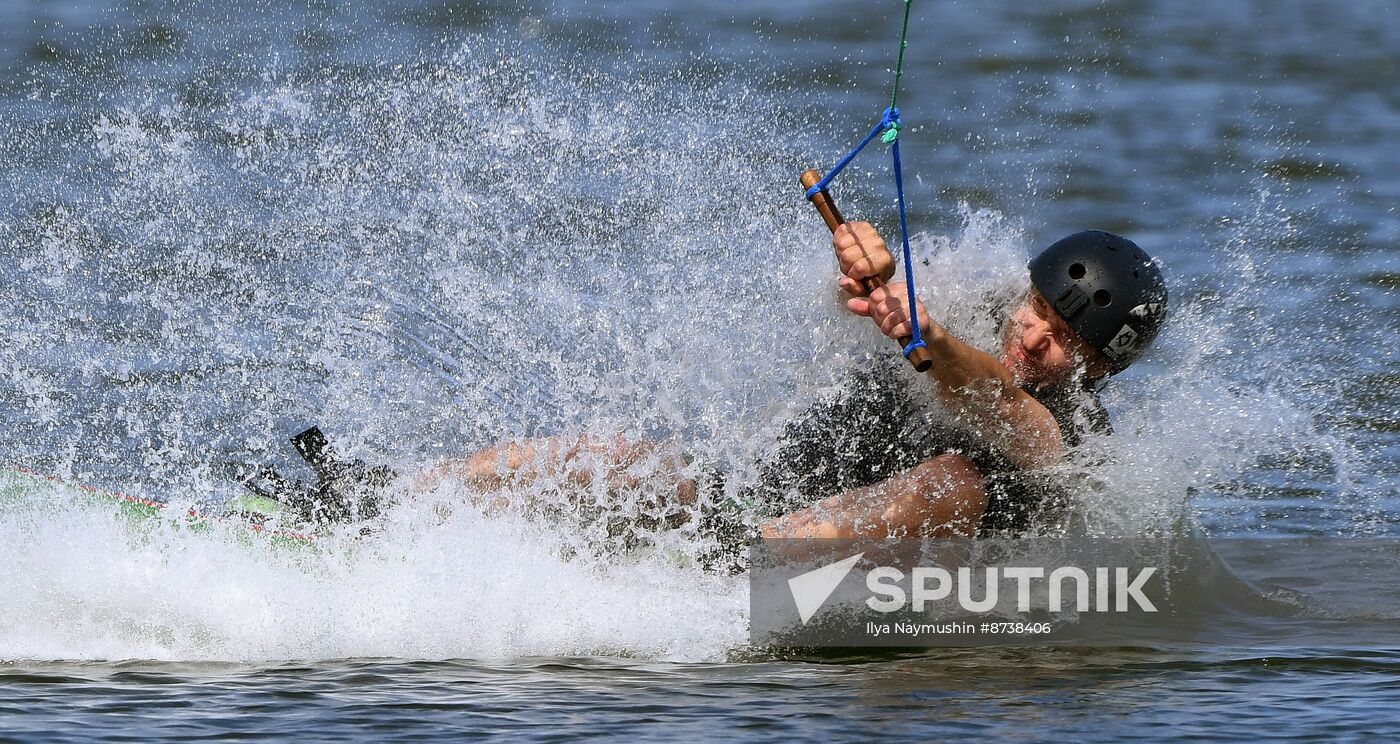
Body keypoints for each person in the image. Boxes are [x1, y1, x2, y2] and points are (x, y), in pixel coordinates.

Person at [411, 222, 1169, 551]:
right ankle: (387, 499)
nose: (1036, 338)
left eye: (1067, 340)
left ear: (1100, 368)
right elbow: (866, 298)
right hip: (755, 511)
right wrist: (859, 266)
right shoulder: (969, 299)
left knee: (955, 482)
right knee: (627, 459)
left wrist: (924, 335)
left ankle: (732, 579)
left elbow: (999, 401)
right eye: (1040, 310)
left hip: (812, 572)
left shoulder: (1074, 437)